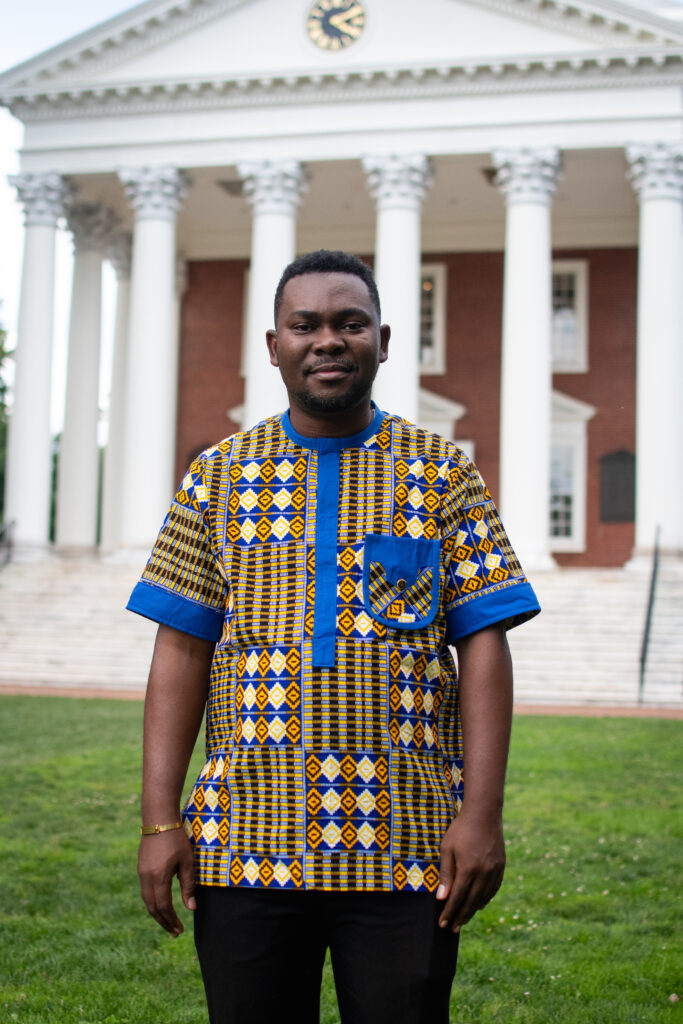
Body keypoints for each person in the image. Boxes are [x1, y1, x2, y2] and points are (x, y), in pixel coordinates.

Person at [128, 249, 540, 1024]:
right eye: (304, 324)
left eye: (348, 323)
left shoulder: (442, 473)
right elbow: (181, 647)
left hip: (408, 838)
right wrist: (160, 821)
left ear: (381, 341)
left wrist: (479, 815)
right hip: (245, 835)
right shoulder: (215, 476)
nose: (327, 339)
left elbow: (482, 642)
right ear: (274, 344)